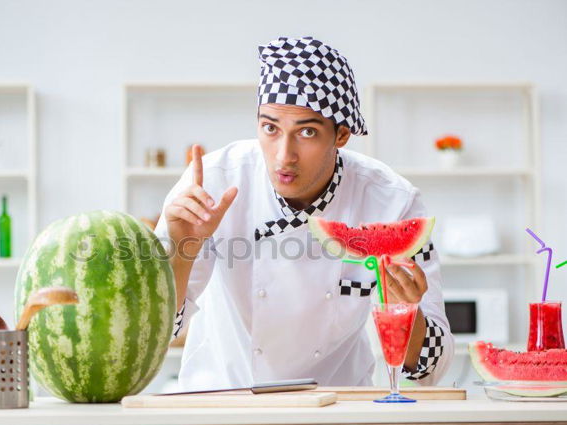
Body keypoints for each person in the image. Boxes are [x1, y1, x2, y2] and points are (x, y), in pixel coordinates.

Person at [154, 36, 454, 391]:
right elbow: (156, 332)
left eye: (307, 132)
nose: (284, 156)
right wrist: (181, 247)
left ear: (341, 135)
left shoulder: (391, 201)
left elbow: (432, 367)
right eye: (270, 128)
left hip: (338, 408)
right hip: (223, 399)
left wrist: (407, 313)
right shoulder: (213, 180)